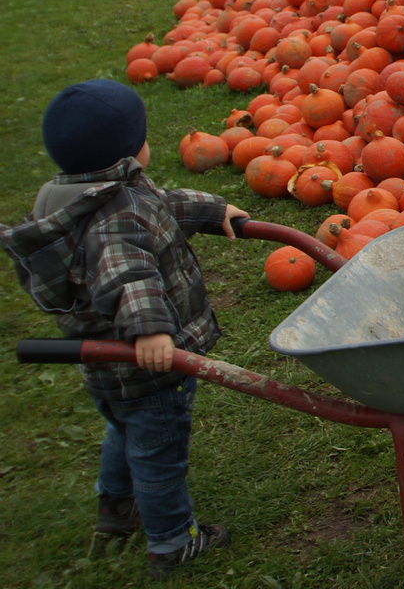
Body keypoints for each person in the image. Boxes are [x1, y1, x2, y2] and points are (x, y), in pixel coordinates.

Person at [1, 79, 249, 579]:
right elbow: (127, 272)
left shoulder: (73, 194)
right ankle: (173, 541)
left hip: (104, 365)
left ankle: (115, 506)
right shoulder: (119, 214)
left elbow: (160, 205)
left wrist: (211, 209)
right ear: (134, 147)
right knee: (159, 453)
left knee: (124, 428)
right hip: (146, 365)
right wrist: (151, 332)